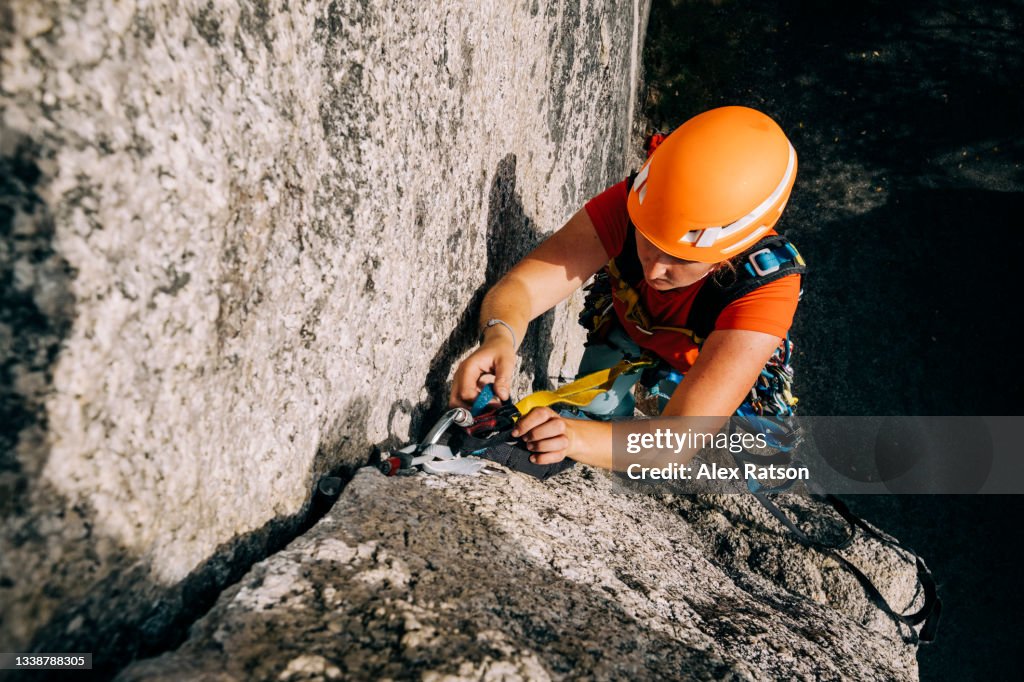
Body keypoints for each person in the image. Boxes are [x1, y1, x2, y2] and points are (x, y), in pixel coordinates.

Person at [449, 106, 804, 472]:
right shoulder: (639, 204)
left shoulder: (766, 290)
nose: (654, 268)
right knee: (590, 411)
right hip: (629, 320)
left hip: (698, 360)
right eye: (648, 240)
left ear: (731, 253)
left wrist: (574, 437)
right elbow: (523, 287)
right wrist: (499, 338)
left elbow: (675, 443)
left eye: (680, 258)